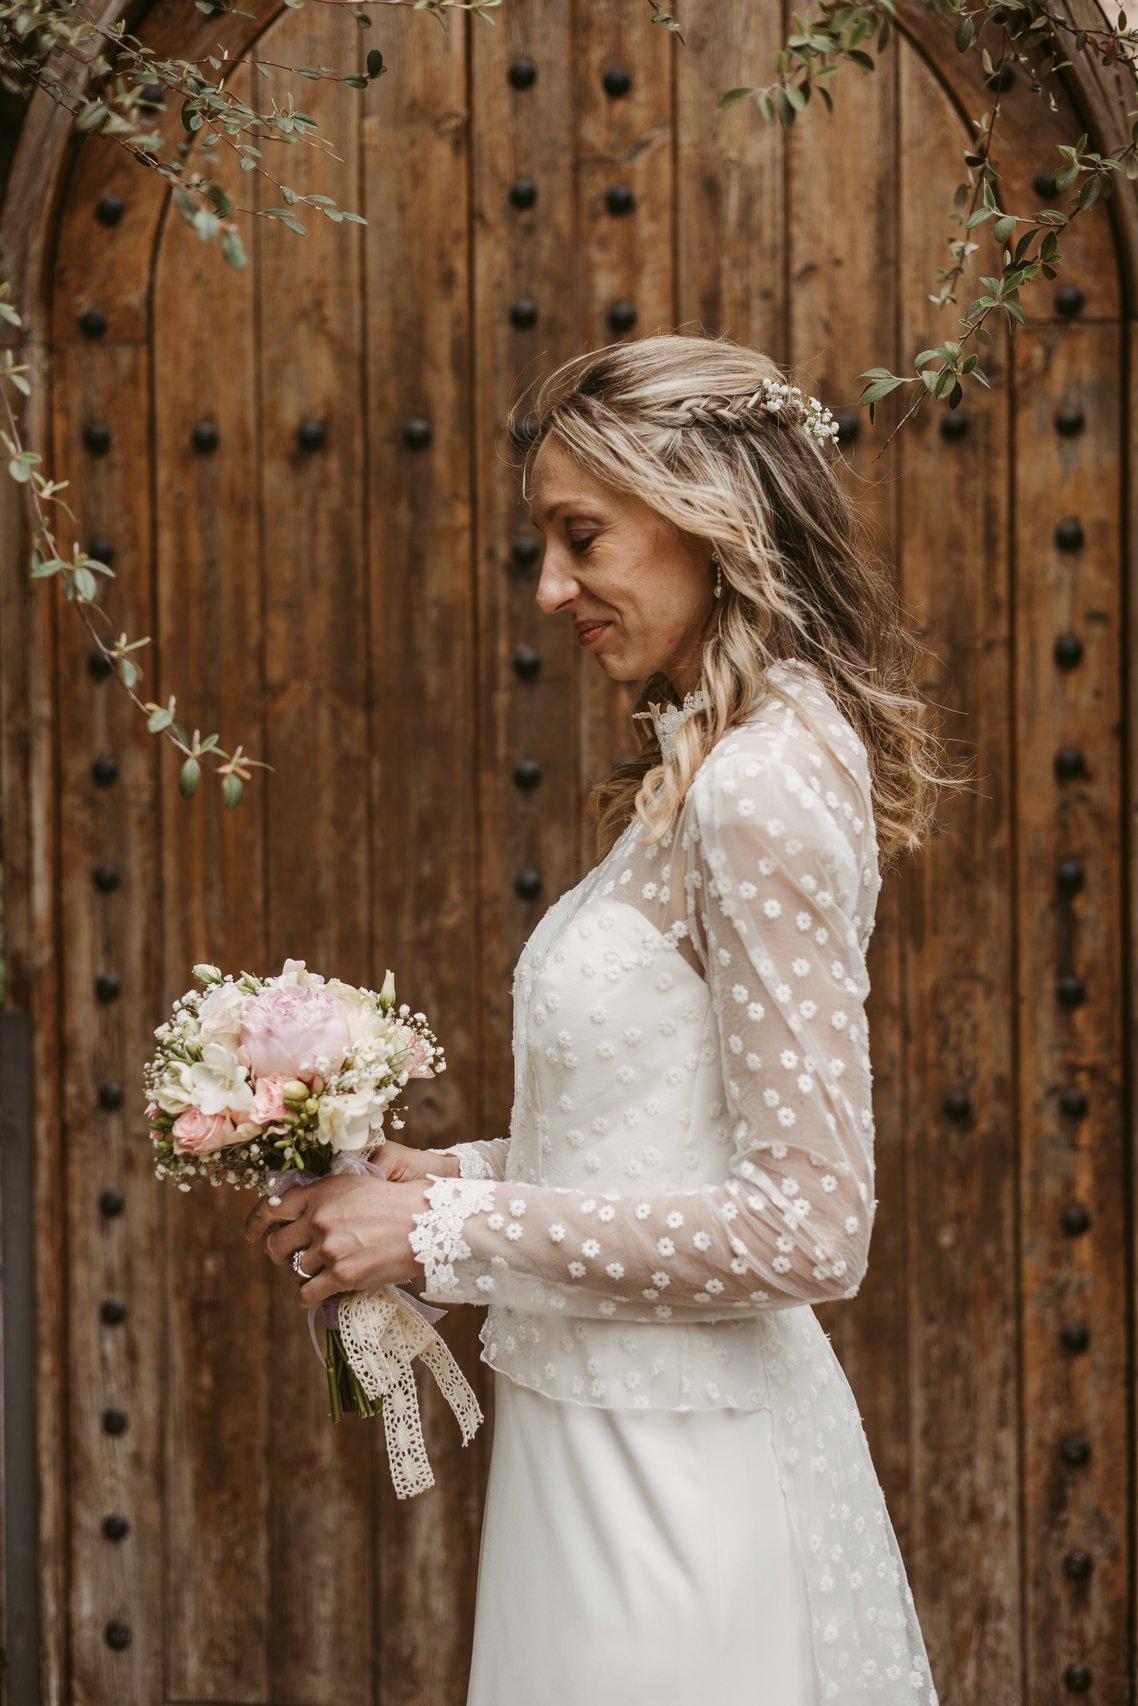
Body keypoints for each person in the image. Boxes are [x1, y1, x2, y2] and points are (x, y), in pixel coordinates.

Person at [246, 332, 957, 1704]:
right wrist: (441, 1177)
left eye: (581, 537)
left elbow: (809, 1223)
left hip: (677, 1491)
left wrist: (447, 1232)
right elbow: (661, 1142)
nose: (549, 586)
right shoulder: (703, 762)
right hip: (588, 1447)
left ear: (709, 520)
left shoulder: (756, 784)